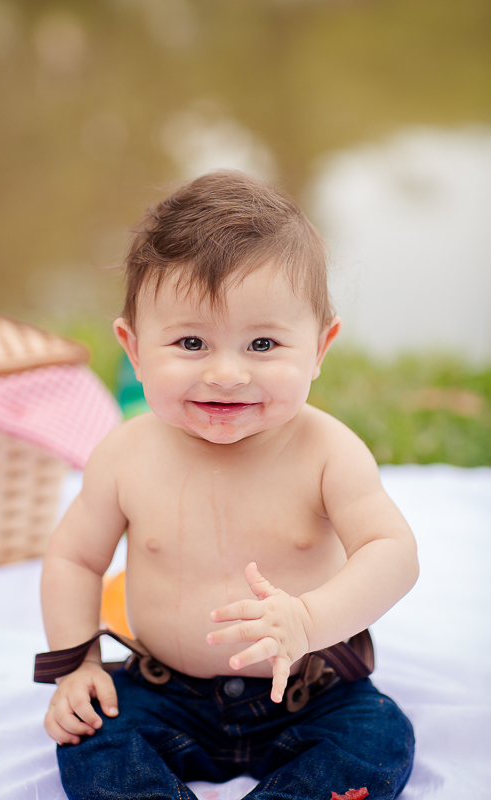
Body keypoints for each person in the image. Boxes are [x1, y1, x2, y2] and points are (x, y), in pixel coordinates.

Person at [39, 170, 418, 800]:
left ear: (320, 347)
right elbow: (75, 557)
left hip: (308, 688)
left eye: (263, 343)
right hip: (162, 689)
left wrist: (309, 618)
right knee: (92, 739)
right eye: (191, 342)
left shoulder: (328, 453)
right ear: (133, 350)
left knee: (378, 741)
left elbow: (394, 554)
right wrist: (75, 665)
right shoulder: (125, 456)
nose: (226, 373)